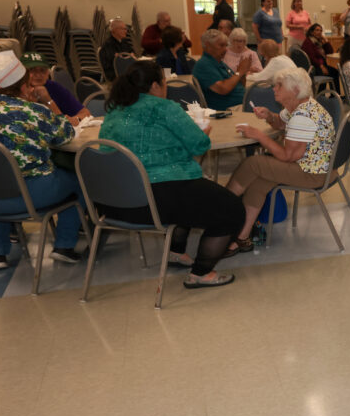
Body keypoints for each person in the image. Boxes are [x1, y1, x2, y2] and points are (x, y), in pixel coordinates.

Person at [98, 60, 243, 288]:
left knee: (188, 192)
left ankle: (176, 252)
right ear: (156, 85)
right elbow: (199, 145)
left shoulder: (115, 110)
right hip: (154, 201)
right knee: (231, 209)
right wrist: (202, 132)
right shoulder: (164, 107)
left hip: (114, 202)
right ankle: (201, 273)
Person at [0, 51, 83, 269]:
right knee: (79, 182)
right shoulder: (34, 111)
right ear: (24, 85)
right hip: (31, 195)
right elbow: (66, 134)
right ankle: (64, 246)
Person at [225, 68, 335, 255]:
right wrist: (269, 116)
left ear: (294, 90)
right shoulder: (301, 106)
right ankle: (241, 238)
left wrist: (258, 135)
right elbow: (281, 123)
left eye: (279, 86)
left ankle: (222, 205)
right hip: (315, 167)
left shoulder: (303, 116)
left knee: (253, 164)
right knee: (261, 180)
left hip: (312, 174)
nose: (274, 89)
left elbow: (287, 156)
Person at [22, 52, 90, 125]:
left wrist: (76, 119)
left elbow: (85, 113)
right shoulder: (17, 91)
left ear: (48, 73)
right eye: (32, 70)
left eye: (42, 70)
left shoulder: (53, 87)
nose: (38, 75)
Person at [192, 29, 249, 110]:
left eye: (226, 45)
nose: (225, 49)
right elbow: (223, 89)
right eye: (221, 45)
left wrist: (243, 72)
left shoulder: (219, 62)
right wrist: (239, 72)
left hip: (241, 104)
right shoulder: (203, 64)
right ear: (208, 45)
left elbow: (240, 85)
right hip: (228, 109)